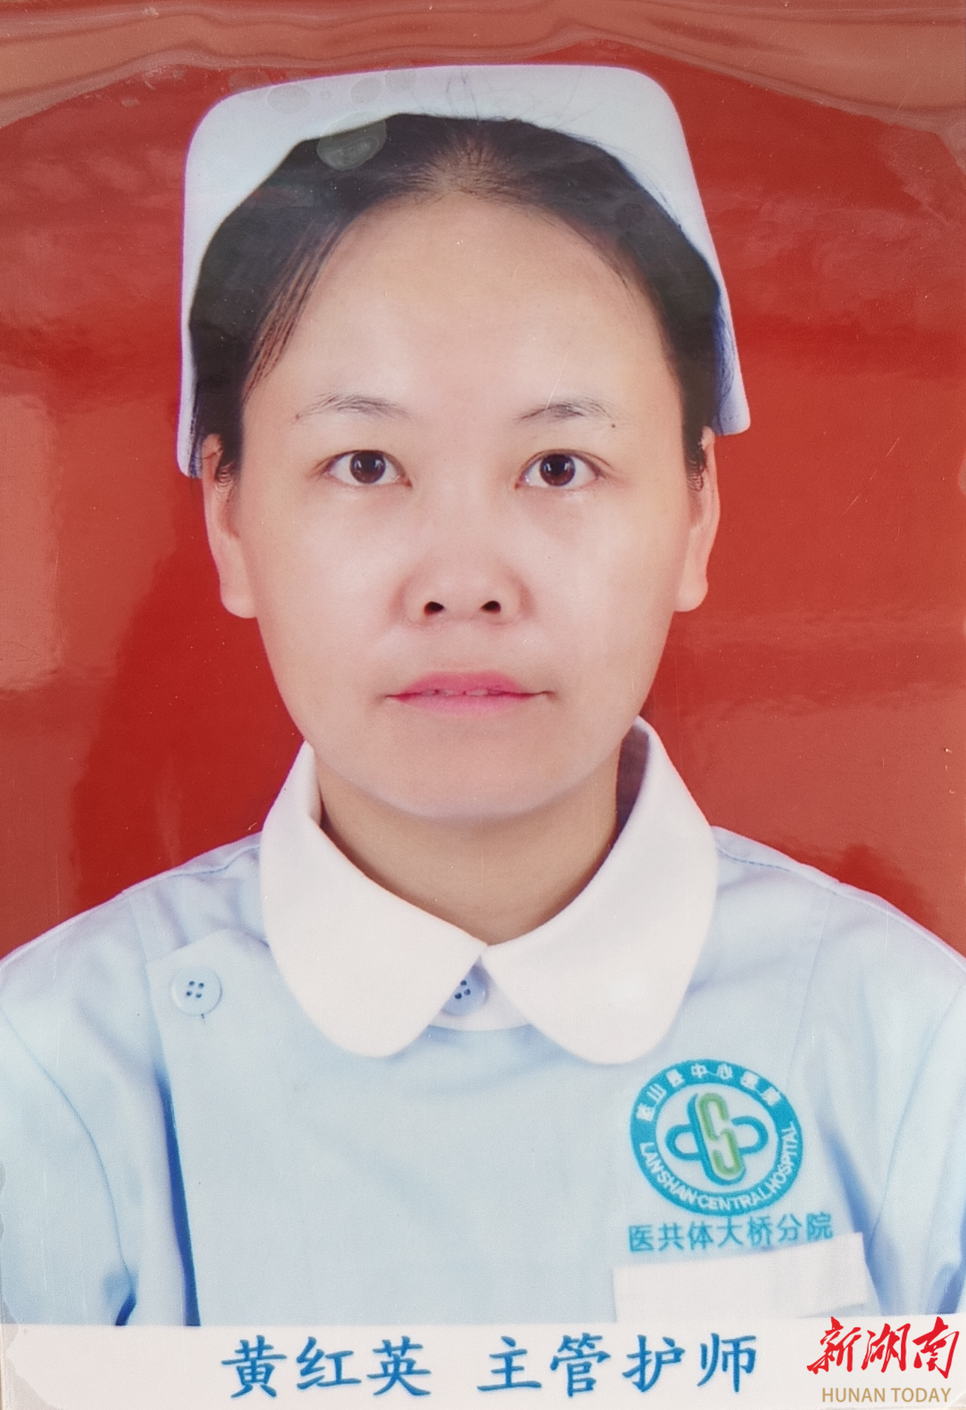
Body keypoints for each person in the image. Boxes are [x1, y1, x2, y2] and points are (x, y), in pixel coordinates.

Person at [0, 64, 964, 1328]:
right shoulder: (51, 1077)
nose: (463, 582)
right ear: (230, 522)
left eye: (560, 464)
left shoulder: (911, 1056)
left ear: (695, 515)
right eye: (364, 464)